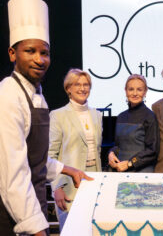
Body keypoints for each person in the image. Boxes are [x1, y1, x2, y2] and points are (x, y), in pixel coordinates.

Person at [0, 0, 91, 236]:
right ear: (12, 53)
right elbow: (13, 177)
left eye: (45, 52)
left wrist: (69, 170)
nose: (40, 60)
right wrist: (39, 231)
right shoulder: (8, 95)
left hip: (35, 204)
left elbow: (36, 160)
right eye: (30, 51)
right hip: (14, 217)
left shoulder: (37, 95)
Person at [48, 69, 102, 230]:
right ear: (68, 88)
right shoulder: (58, 115)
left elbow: (97, 150)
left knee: (90, 229)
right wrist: (56, 187)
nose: (82, 88)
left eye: (86, 85)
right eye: (77, 84)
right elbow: (51, 154)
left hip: (93, 180)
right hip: (68, 183)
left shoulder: (97, 115)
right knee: (71, 230)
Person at [108, 74, 159, 172]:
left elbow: (152, 151)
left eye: (139, 89)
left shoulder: (150, 116)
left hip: (142, 171)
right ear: (126, 91)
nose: (135, 93)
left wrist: (130, 163)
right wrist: (111, 153)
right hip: (120, 170)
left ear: (145, 92)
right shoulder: (121, 117)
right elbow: (117, 146)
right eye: (131, 89)